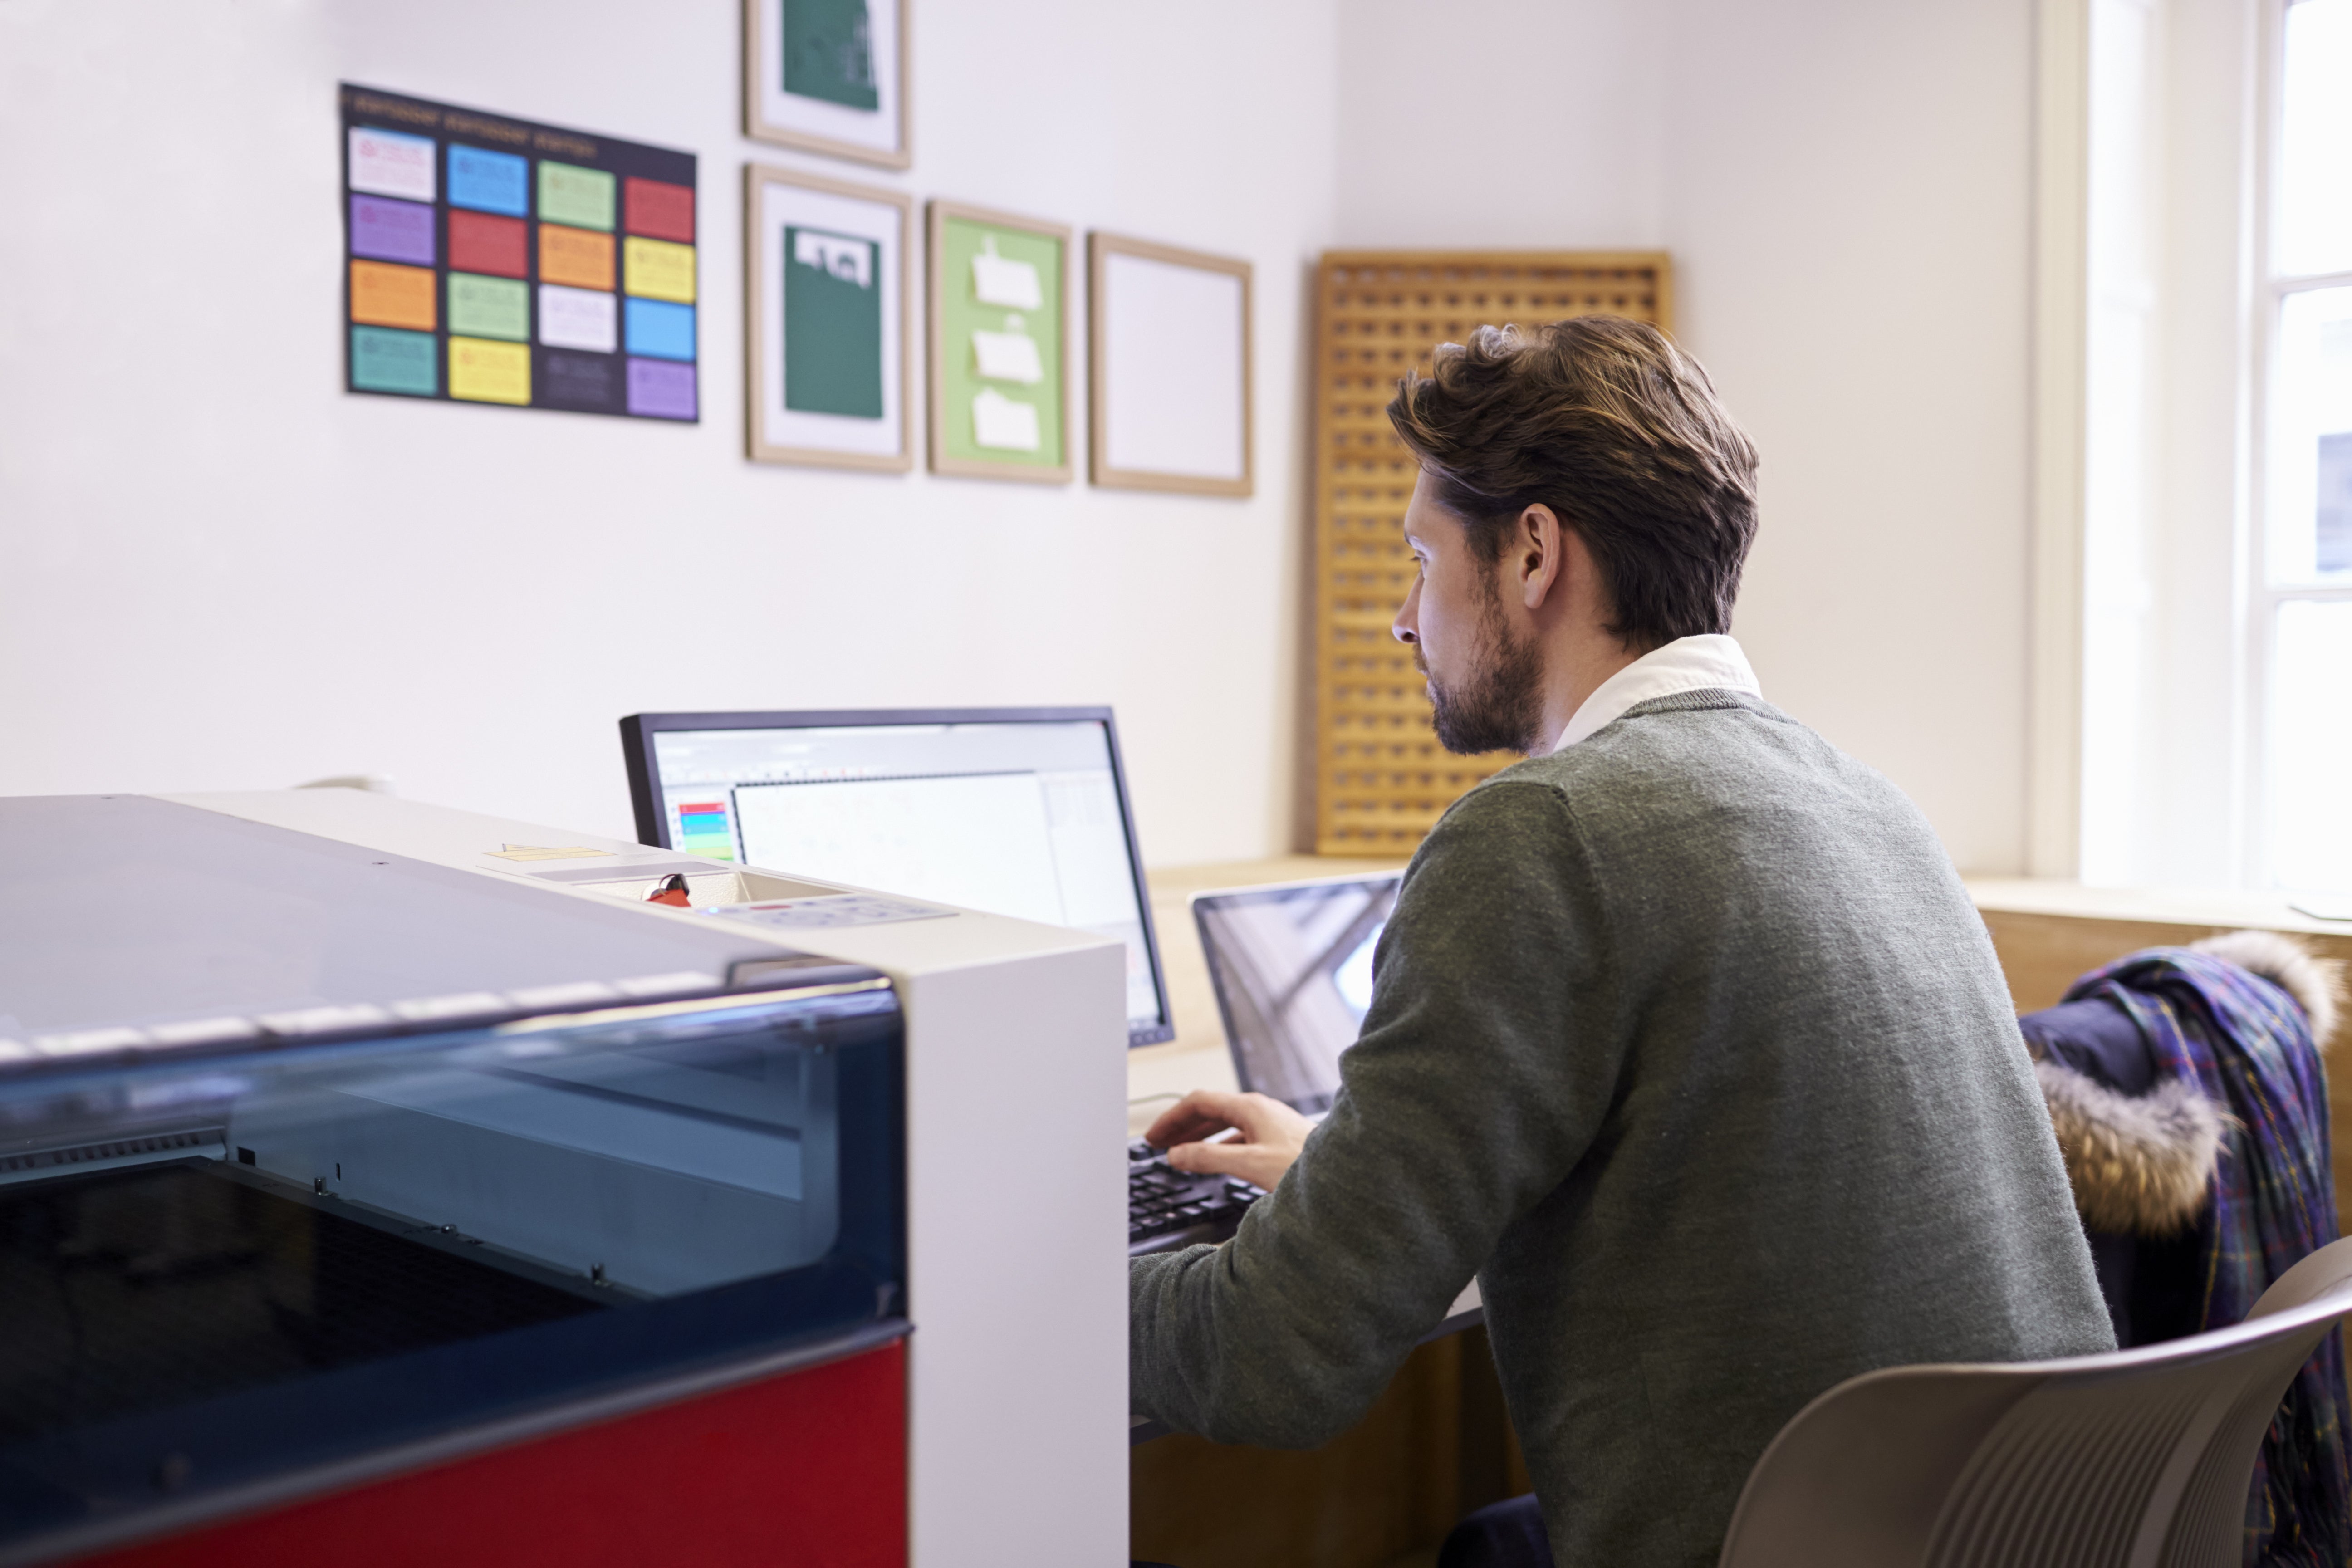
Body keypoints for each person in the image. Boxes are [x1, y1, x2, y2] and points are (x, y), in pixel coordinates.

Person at [1127, 317, 2116, 1568]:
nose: (1400, 619)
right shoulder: (1872, 805)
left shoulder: (1538, 840)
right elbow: (1703, 1159)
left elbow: (1273, 1362)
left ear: (1534, 553)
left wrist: (1014, 1266)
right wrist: (1351, 1180)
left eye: (1423, 562)